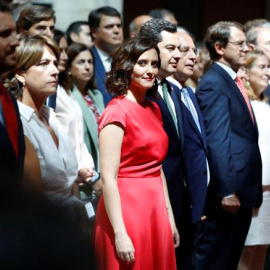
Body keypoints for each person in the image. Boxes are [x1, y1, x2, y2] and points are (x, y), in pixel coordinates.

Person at [94, 37, 179, 270]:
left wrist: (169, 218)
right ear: (127, 66)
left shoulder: (153, 108)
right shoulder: (116, 111)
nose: (150, 70)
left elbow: (157, 168)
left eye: (154, 64)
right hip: (126, 209)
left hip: (155, 206)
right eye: (142, 63)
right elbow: (108, 178)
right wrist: (120, 233)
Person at [194, 21, 262, 270]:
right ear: (220, 47)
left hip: (242, 190)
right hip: (228, 193)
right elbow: (218, 139)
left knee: (228, 261)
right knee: (215, 260)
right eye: (240, 44)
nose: (247, 49)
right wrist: (227, 190)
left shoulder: (230, 80)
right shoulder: (215, 81)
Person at [166, 30, 209, 270]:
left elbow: (198, 147)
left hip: (195, 202)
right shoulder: (164, 94)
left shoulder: (188, 92)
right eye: (185, 50)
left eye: (194, 50)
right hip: (176, 200)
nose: (194, 56)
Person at [237, 50, 270, 270]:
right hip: (253, 187)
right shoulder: (243, 103)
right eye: (262, 67)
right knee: (247, 249)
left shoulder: (264, 103)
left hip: (269, 189)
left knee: (262, 247)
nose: (268, 72)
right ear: (245, 72)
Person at [88, 6, 123, 105]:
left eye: (119, 26)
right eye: (109, 27)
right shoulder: (86, 60)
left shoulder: (127, 59)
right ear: (94, 32)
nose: (116, 31)